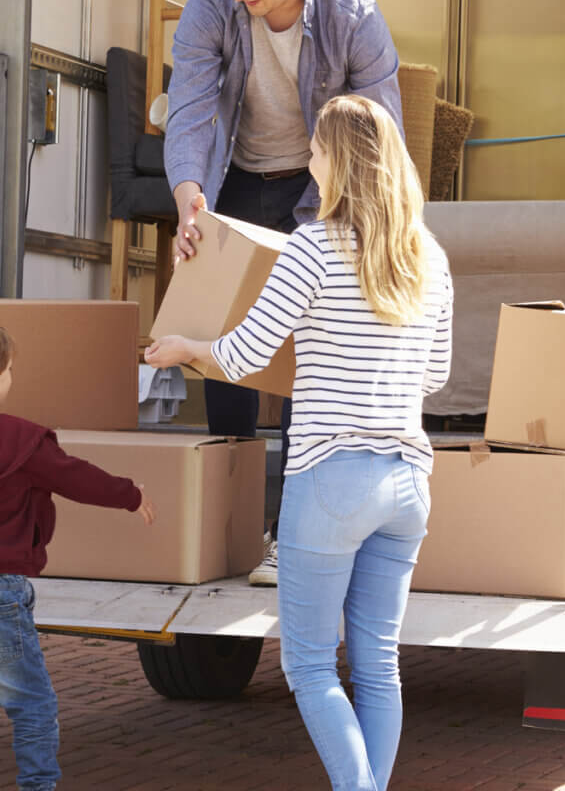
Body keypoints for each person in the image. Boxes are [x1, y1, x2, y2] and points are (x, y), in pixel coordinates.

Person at [146, 95, 452, 791]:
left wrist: (185, 348)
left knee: (310, 666)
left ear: (338, 161)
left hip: (331, 476)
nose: (308, 161)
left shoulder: (313, 247)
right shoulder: (429, 257)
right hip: (407, 480)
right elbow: (434, 374)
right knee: (377, 662)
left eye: (315, 149)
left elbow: (248, 352)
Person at [163, 0, 403, 586]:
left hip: (321, 186)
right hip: (234, 178)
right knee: (225, 340)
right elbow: (191, 110)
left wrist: (353, 225)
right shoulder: (213, 4)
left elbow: (378, 128)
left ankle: (293, 537)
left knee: (310, 351)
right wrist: (188, 199)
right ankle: (230, 527)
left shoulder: (351, 11)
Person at [0, 317, 156, 791]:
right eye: (11, 370)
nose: (12, 379)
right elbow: (75, 477)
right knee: (31, 702)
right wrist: (130, 494)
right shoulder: (21, 440)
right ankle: (38, 785)